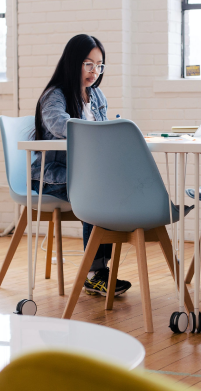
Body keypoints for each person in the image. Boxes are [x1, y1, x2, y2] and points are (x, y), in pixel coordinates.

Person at [31, 34, 131, 298]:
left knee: (117, 187)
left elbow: (104, 132)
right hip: (53, 175)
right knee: (96, 192)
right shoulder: (55, 95)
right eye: (88, 64)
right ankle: (94, 274)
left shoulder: (97, 96)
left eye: (99, 65)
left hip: (88, 173)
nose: (94, 72)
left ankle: (99, 271)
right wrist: (99, 132)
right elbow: (58, 125)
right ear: (73, 62)